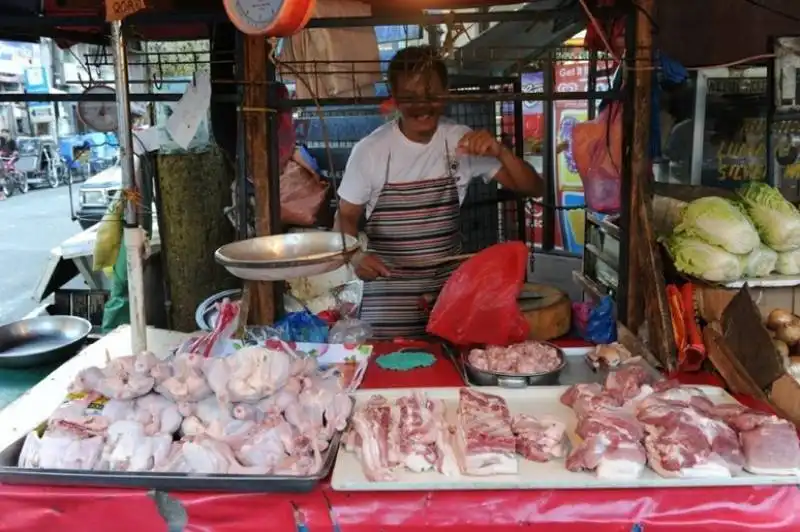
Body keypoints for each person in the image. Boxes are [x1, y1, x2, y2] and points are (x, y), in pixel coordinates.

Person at [335, 45, 542, 338]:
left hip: (449, 294)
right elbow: (344, 216)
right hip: (389, 297)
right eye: (410, 98)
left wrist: (501, 152)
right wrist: (355, 255)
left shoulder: (460, 140)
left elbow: (533, 187)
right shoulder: (370, 152)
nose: (422, 106)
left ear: (445, 92)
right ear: (394, 98)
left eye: (431, 95)